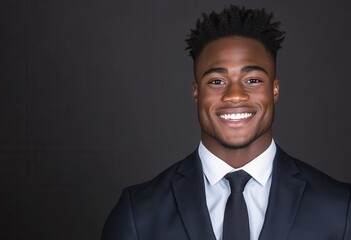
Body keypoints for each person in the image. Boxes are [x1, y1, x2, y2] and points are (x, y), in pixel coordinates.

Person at [102, 5, 351, 240]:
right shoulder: (138, 214)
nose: (234, 95)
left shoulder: (341, 209)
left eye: (253, 80)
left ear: (274, 91)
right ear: (196, 92)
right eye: (217, 81)